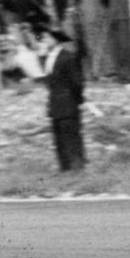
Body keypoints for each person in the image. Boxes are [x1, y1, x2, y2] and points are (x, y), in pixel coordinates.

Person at [42, 29, 85, 172]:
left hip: (68, 103)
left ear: (56, 40)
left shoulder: (67, 57)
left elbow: (77, 82)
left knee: (71, 136)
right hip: (55, 103)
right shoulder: (49, 57)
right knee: (59, 138)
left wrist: (76, 99)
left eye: (47, 38)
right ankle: (64, 168)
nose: (44, 40)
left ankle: (77, 168)